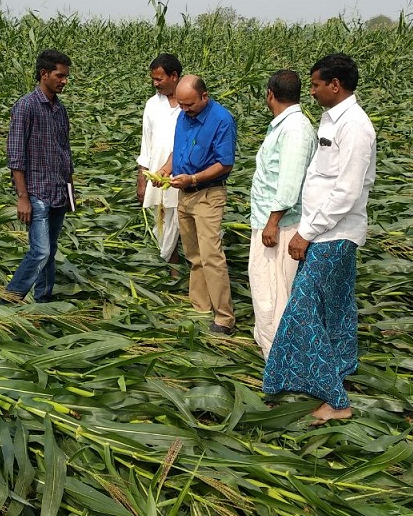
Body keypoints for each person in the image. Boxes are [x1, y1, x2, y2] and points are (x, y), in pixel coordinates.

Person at [262, 53, 376, 424]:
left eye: (314, 85)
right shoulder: (333, 120)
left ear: (335, 85)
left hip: (333, 233)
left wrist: (306, 233)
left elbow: (346, 191)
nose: (310, 92)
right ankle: (339, 370)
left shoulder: (355, 127)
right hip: (327, 232)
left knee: (303, 308)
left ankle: (336, 400)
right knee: (336, 308)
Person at [157, 75, 237, 334]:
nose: (184, 109)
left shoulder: (222, 120)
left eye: (189, 104)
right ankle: (200, 306)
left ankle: (224, 318)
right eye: (181, 105)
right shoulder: (184, 116)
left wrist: (193, 178)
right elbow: (177, 149)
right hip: (185, 194)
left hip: (207, 194)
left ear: (204, 96)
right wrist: (166, 169)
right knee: (194, 255)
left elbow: (225, 163)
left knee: (211, 256)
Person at [248, 70, 316, 359]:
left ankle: (278, 359)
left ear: (270, 94)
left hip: (280, 225)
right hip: (272, 221)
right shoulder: (287, 125)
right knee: (267, 291)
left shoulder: (295, 130)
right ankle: (273, 351)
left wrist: (272, 223)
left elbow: (289, 183)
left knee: (272, 294)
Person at [3, 49, 74, 303]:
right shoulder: (26, 106)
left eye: (66, 76)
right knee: (40, 251)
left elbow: (65, 152)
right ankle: (10, 297)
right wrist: (22, 197)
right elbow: (15, 155)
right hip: (36, 193)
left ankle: (43, 299)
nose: (64, 81)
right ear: (44, 74)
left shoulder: (59, 110)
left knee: (51, 250)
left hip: (57, 191)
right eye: (60, 75)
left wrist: (70, 191)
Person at [136, 53, 182, 266]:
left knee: (182, 223)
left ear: (174, 76)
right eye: (153, 79)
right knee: (162, 221)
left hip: (183, 175)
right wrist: (141, 178)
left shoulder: (188, 102)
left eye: (159, 79)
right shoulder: (152, 105)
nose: (155, 84)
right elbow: (146, 143)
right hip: (157, 175)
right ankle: (170, 270)